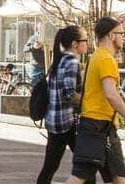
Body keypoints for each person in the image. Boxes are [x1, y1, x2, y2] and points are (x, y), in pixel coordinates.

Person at [68, 16, 125, 184]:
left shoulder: (95, 57)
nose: (124, 37)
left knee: (119, 177)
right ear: (111, 35)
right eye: (121, 33)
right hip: (97, 125)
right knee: (79, 177)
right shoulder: (106, 59)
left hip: (103, 126)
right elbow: (111, 94)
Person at [37, 25, 94, 184]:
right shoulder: (71, 61)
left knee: (51, 165)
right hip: (67, 122)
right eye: (85, 40)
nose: (87, 44)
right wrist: (87, 101)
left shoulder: (60, 59)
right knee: (86, 164)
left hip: (54, 120)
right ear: (75, 44)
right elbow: (69, 93)